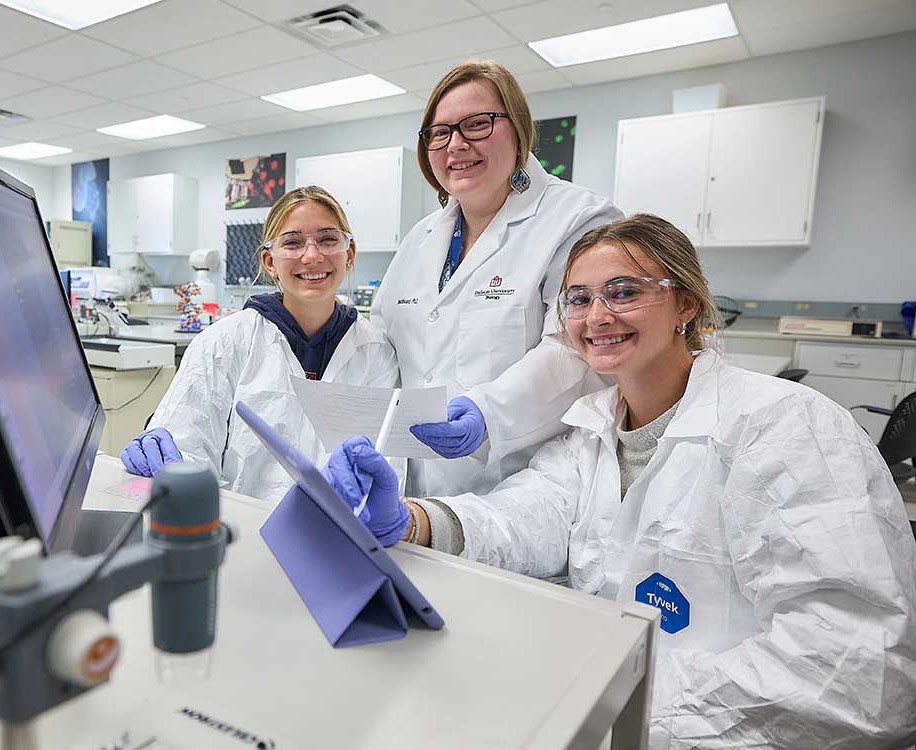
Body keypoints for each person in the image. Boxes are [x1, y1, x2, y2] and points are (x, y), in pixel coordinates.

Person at [324, 214, 916, 747]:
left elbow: (860, 673)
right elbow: (529, 515)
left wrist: (613, 704)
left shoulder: (786, 427)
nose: (597, 316)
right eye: (577, 300)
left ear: (687, 305)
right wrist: (413, 519)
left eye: (625, 292)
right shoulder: (590, 430)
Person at [372, 59, 622, 497]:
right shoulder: (421, 238)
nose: (456, 145)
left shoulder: (579, 220)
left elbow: (576, 348)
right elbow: (382, 338)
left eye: (477, 124)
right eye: (440, 132)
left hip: (523, 483)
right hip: (414, 486)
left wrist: (487, 412)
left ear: (518, 129)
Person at [120, 186, 399, 503]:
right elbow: (184, 454)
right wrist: (165, 458)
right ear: (269, 261)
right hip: (239, 532)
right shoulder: (222, 342)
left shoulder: (376, 352)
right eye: (292, 243)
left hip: (342, 534)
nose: (312, 255)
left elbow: (385, 467)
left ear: (348, 254)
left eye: (328, 240)